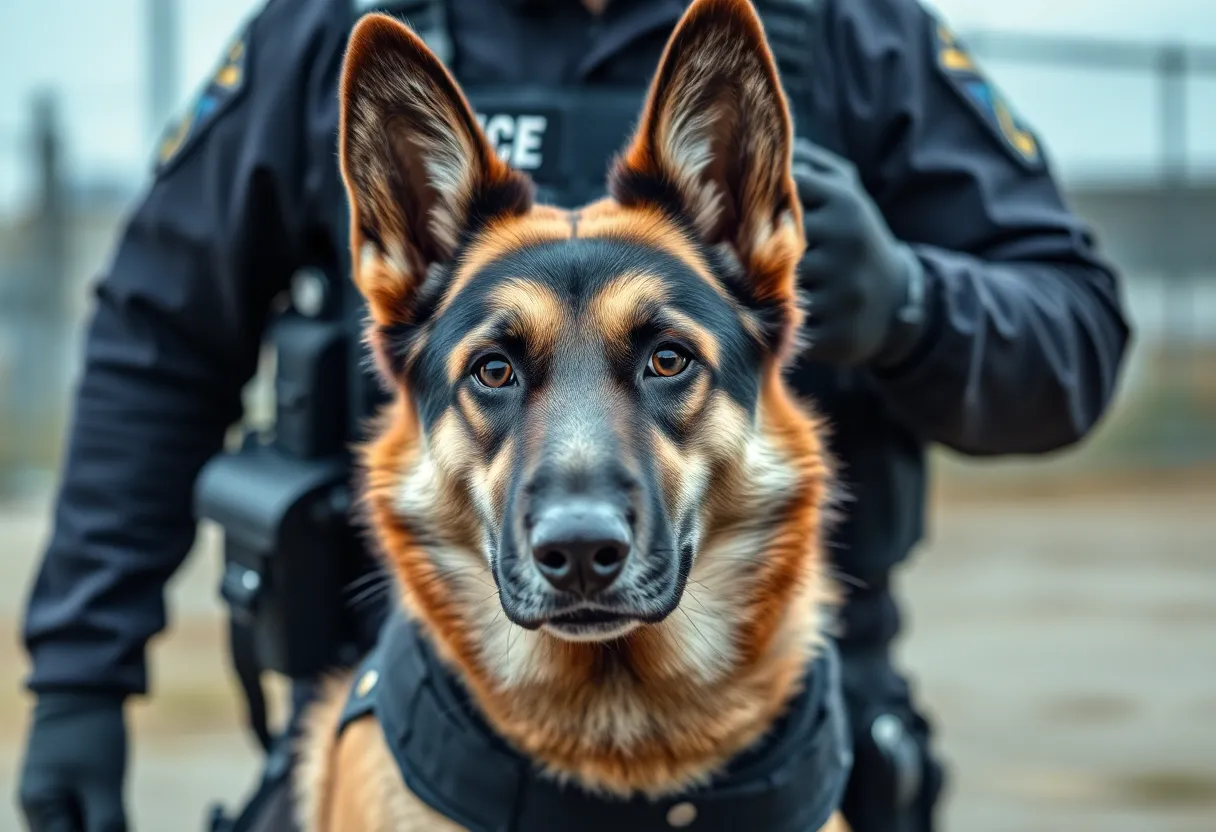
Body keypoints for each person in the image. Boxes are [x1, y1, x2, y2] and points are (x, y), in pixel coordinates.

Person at [16, 0, 1131, 830]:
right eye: (500, 370)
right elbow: (157, 343)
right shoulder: (330, 29)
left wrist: (912, 306)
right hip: (428, 717)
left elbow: (1074, 330)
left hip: (789, 736)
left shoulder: (841, 28)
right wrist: (78, 680)